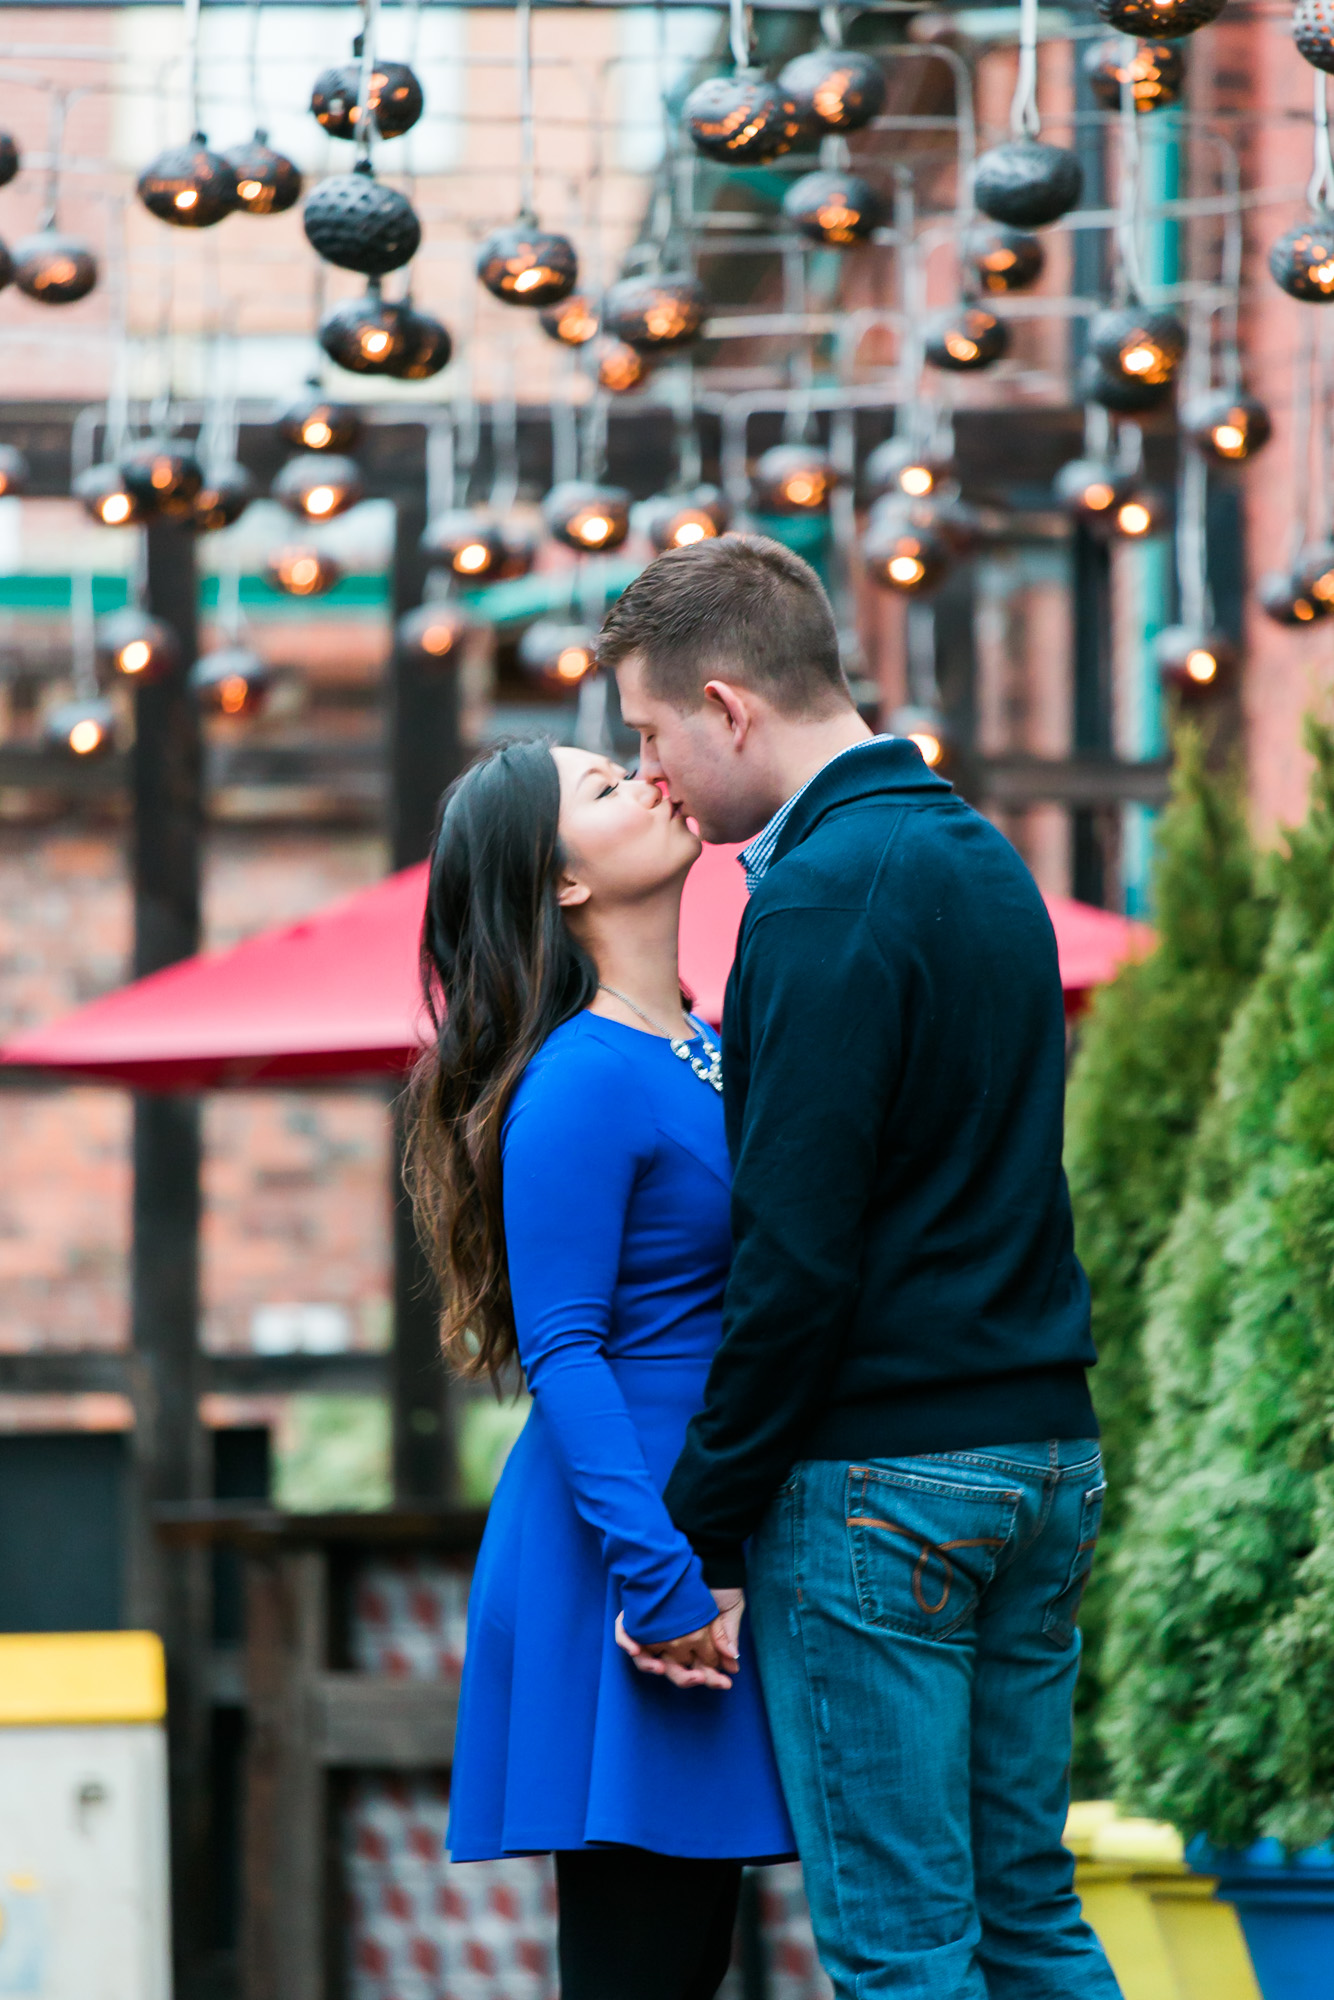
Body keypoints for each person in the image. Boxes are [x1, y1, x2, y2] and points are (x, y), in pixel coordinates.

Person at [599, 534, 1123, 2000]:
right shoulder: (978, 856)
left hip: (885, 1485)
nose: (652, 778)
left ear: (728, 706)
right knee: (1028, 1921)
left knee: (903, 1956)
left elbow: (795, 1264)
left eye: (651, 735)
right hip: (1040, 1455)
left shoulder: (821, 899)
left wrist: (691, 1531)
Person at [405, 737, 794, 2000]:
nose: (649, 781)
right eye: (604, 786)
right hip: (627, 1552)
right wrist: (664, 1575)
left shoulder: (712, 1039)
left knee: (690, 1947)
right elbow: (563, 1349)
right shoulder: (576, 1075)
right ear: (561, 880)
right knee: (645, 1957)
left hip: (697, 1531)